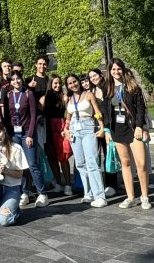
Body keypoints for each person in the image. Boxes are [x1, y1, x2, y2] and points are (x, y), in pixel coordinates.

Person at [104, 58, 152, 210]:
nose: (116, 72)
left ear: (122, 70)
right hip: (117, 129)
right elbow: (105, 111)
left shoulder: (132, 86)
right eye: (113, 69)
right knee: (125, 163)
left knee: (141, 163)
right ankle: (131, 197)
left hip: (132, 127)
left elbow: (140, 108)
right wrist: (107, 130)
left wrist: (139, 126)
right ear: (110, 71)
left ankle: (144, 196)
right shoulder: (108, 88)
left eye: (118, 69)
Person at [4, 72, 47, 207]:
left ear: (22, 80)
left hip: (27, 133)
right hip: (14, 135)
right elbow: (7, 116)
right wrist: (8, 135)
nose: (16, 81)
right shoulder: (9, 95)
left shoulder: (28, 94)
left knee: (32, 164)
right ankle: (24, 192)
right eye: (13, 79)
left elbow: (33, 116)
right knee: (19, 165)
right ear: (10, 82)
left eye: (18, 79)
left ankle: (42, 193)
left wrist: (30, 134)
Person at [62, 73, 106, 206]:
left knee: (92, 161)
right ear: (67, 86)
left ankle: (100, 196)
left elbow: (97, 112)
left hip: (88, 127)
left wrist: (102, 126)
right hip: (75, 130)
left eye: (75, 81)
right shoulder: (69, 99)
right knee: (80, 163)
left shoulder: (88, 94)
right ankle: (88, 193)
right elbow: (68, 117)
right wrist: (66, 128)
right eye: (70, 83)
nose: (73, 84)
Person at [88, 68, 117, 198]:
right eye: (91, 77)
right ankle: (99, 184)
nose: (93, 78)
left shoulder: (108, 88)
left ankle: (111, 185)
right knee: (95, 156)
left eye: (95, 75)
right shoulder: (91, 91)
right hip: (94, 127)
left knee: (108, 154)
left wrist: (106, 128)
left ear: (100, 75)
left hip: (107, 127)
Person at [41, 75, 72, 195]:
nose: (58, 85)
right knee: (52, 157)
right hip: (48, 129)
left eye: (59, 83)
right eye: (55, 83)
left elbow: (68, 114)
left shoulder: (64, 97)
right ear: (50, 84)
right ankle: (58, 183)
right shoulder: (45, 98)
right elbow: (40, 112)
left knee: (63, 157)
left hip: (61, 128)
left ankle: (68, 184)